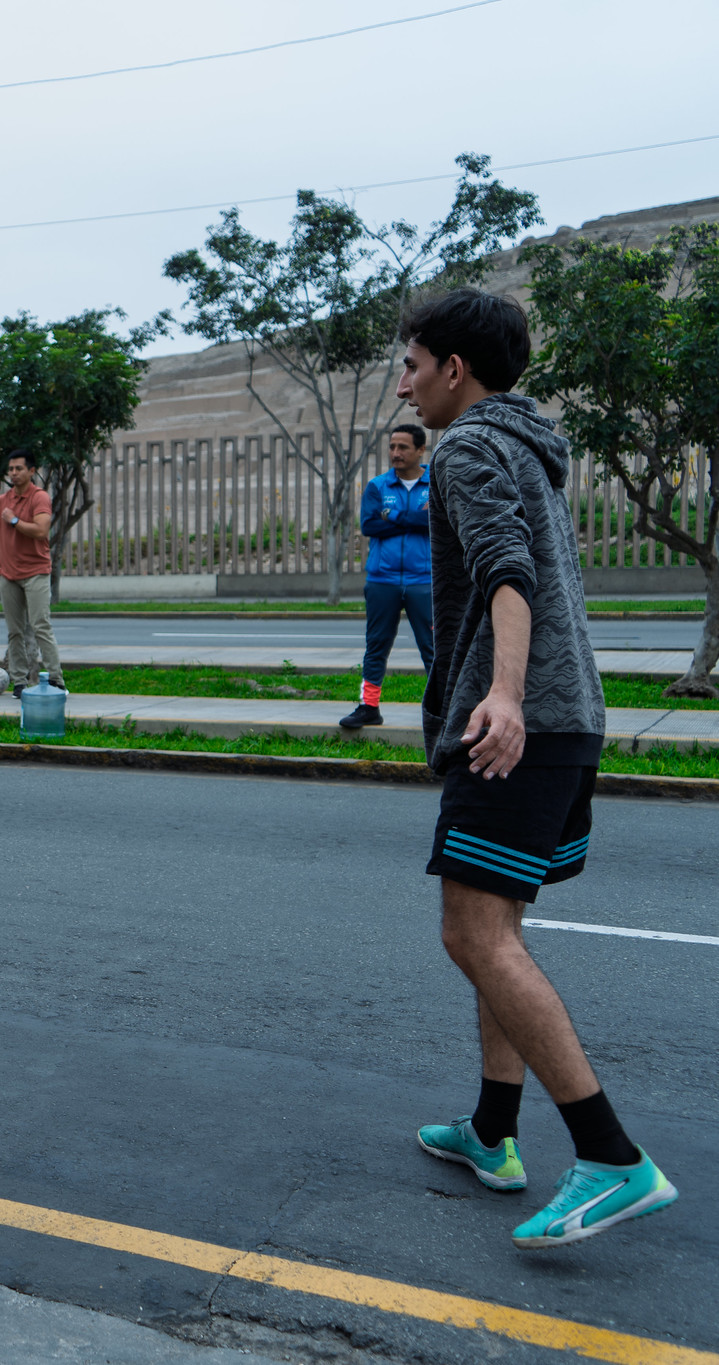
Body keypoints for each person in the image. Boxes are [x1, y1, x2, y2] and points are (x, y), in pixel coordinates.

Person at [397, 289, 675, 1249]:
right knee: (497, 926)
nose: (405, 387)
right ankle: (490, 1128)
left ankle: (610, 1156)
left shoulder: (467, 448)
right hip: (570, 715)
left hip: (519, 719)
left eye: (412, 367)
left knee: (473, 934)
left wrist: (504, 695)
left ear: (453, 369)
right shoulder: (528, 443)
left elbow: (504, 570)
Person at [340, 424, 435, 728]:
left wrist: (392, 516)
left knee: (434, 648)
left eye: (403, 447)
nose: (395, 453)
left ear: (421, 450)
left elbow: (438, 522)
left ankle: (443, 710)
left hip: (425, 580)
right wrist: (416, 519)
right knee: (376, 645)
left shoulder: (437, 483)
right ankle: (369, 707)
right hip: (382, 580)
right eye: (392, 446)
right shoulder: (377, 486)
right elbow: (370, 526)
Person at [0, 450, 61, 696]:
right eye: (11, 469)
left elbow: (41, 530)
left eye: (19, 468)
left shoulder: (39, 497)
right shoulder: (2, 500)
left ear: (31, 471)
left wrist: (14, 520)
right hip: (8, 576)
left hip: (36, 572)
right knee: (14, 631)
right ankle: (19, 683)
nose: (14, 473)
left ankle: (56, 680)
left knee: (41, 626)